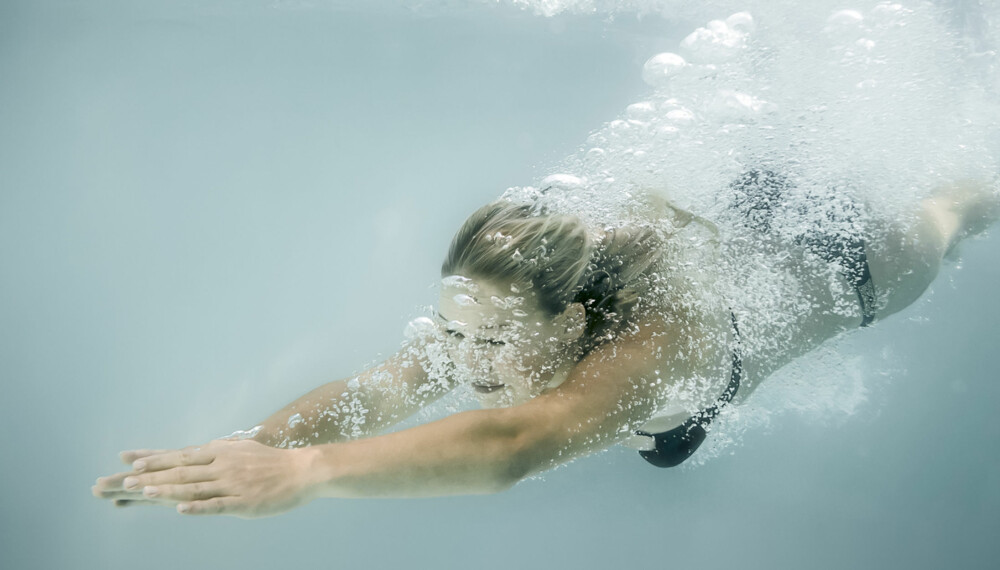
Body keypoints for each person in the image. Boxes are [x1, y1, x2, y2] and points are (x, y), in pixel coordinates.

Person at [92, 172, 998, 518]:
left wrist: (308, 474)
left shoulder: (650, 353)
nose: (463, 358)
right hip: (741, 218)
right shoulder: (495, 325)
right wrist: (252, 445)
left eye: (490, 338)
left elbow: (513, 446)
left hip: (853, 261)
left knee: (950, 212)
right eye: (455, 328)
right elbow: (378, 389)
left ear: (570, 327)